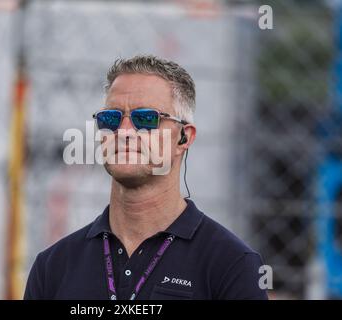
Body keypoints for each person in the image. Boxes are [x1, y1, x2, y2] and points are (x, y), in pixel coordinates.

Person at [24, 55, 268, 300]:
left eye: (146, 119)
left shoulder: (232, 266)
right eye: (111, 119)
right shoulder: (53, 267)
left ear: (184, 137)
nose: (125, 132)